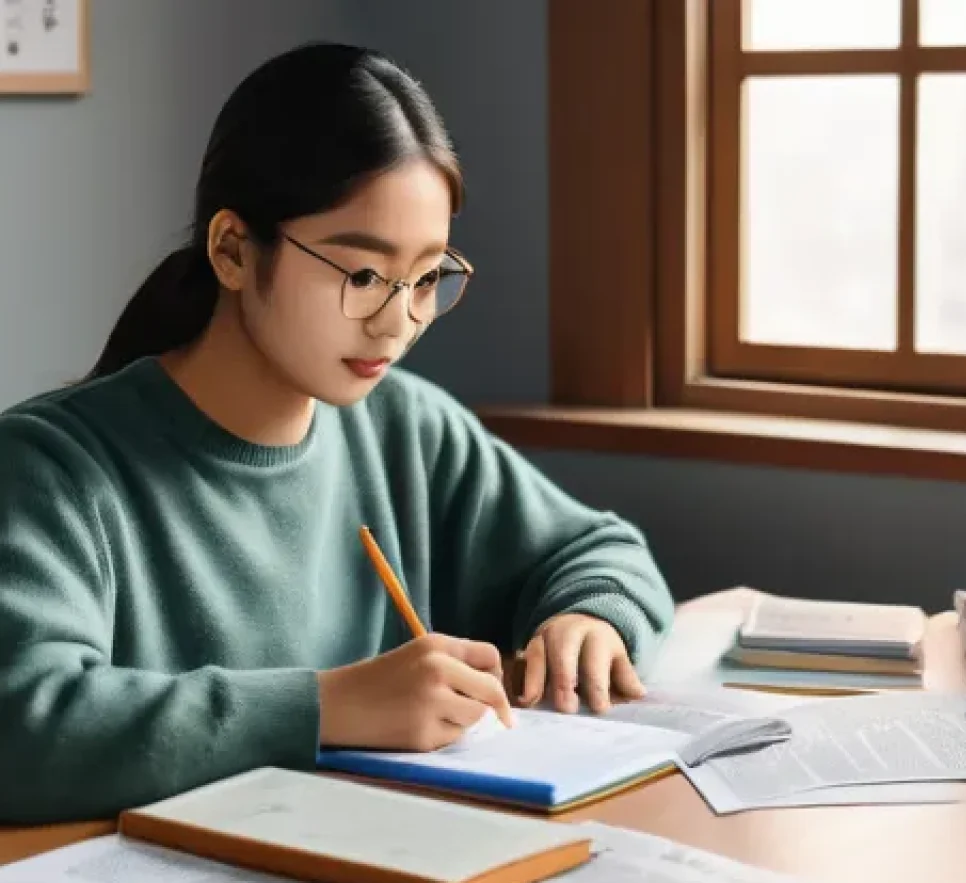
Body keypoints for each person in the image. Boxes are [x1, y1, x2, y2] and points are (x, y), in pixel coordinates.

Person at [0, 43, 674, 824]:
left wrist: (589, 616)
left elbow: (597, 550)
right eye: (361, 276)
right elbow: (20, 722)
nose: (398, 322)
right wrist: (327, 707)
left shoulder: (406, 428)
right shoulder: (48, 468)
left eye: (425, 279)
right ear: (230, 250)